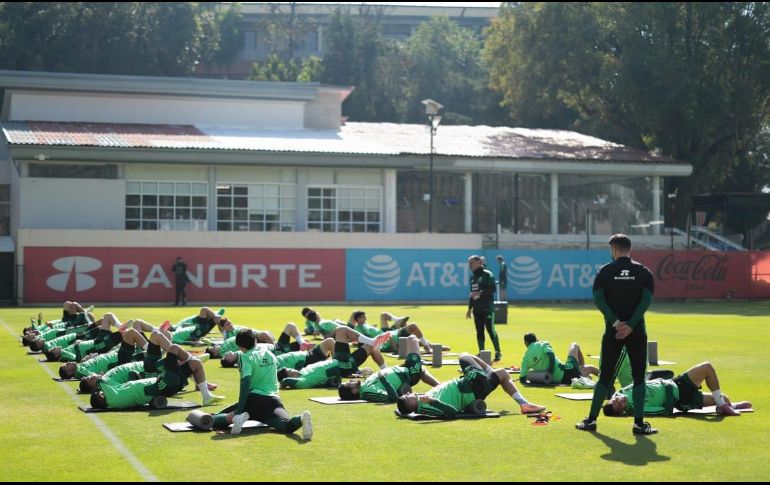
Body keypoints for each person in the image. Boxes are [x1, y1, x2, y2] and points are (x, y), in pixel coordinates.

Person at [576, 234, 657, 435]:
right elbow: (646, 301)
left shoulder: (604, 272)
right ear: (629, 249)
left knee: (605, 376)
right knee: (639, 377)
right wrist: (630, 325)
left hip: (612, 332)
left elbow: (599, 300)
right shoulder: (643, 272)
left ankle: (591, 421)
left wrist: (616, 322)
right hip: (637, 331)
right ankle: (639, 424)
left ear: (613, 248)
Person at [210, 329, 314, 439]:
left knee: (214, 420)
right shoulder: (269, 354)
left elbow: (246, 382)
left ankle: (237, 418)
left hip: (253, 400)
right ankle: (302, 418)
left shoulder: (246, 357)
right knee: (287, 426)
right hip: (273, 401)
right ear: (255, 340)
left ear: (240, 347)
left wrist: (240, 409)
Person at [396, 353, 546, 417]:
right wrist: (431, 401)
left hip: (471, 385)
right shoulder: (427, 407)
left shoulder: (422, 400)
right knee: (464, 356)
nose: (410, 393)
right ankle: (489, 371)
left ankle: (524, 404)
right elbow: (452, 412)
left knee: (503, 374)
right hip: (472, 387)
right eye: (408, 397)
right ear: (411, 405)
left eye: (407, 393)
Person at [603, 362, 751, 417]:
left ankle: (722, 406)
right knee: (724, 398)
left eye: (615, 400)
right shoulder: (636, 409)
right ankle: (727, 404)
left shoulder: (620, 392)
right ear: (621, 411)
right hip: (681, 399)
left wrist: (656, 379)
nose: (620, 400)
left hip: (676, 382)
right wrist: (668, 393)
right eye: (619, 405)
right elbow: (664, 411)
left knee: (707, 367)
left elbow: (640, 383)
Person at [338, 335, 441, 403]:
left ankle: (439, 387)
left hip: (402, 370)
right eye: (349, 383)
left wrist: (367, 376)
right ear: (354, 391)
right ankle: (440, 388)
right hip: (407, 375)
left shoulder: (364, 387)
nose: (351, 380)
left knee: (421, 370)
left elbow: (376, 383)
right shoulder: (368, 393)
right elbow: (392, 398)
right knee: (412, 338)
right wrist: (383, 379)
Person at [519, 333, 599, 385]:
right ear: (536, 339)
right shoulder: (542, 344)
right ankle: (607, 380)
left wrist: (535, 380)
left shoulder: (525, 358)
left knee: (588, 369)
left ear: (525, 343)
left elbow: (522, 379)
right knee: (574, 345)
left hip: (561, 380)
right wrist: (550, 371)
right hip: (568, 372)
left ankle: (582, 372)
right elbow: (551, 355)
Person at [466, 255, 502, 362]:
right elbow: (473, 294)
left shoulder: (487, 274)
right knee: (479, 331)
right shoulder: (472, 278)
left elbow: (493, 289)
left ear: (478, 262)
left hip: (487, 308)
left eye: (471, 263)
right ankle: (482, 352)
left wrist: (480, 293)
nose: (470, 265)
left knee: (491, 330)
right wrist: (469, 308)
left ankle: (498, 352)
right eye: (469, 263)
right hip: (477, 309)